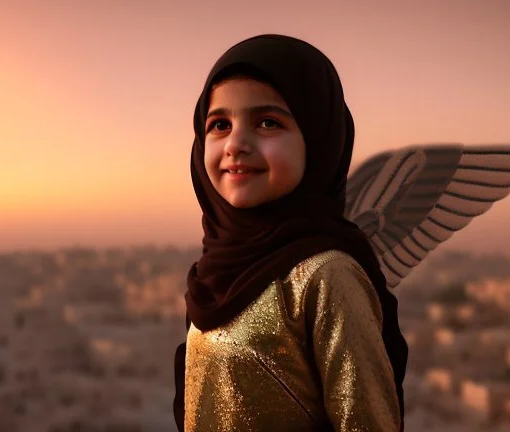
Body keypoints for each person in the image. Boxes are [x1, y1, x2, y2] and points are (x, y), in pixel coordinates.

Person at [173, 34, 408, 431]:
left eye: (268, 122)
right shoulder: (217, 272)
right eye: (220, 124)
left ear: (317, 141)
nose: (236, 144)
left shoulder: (327, 276)